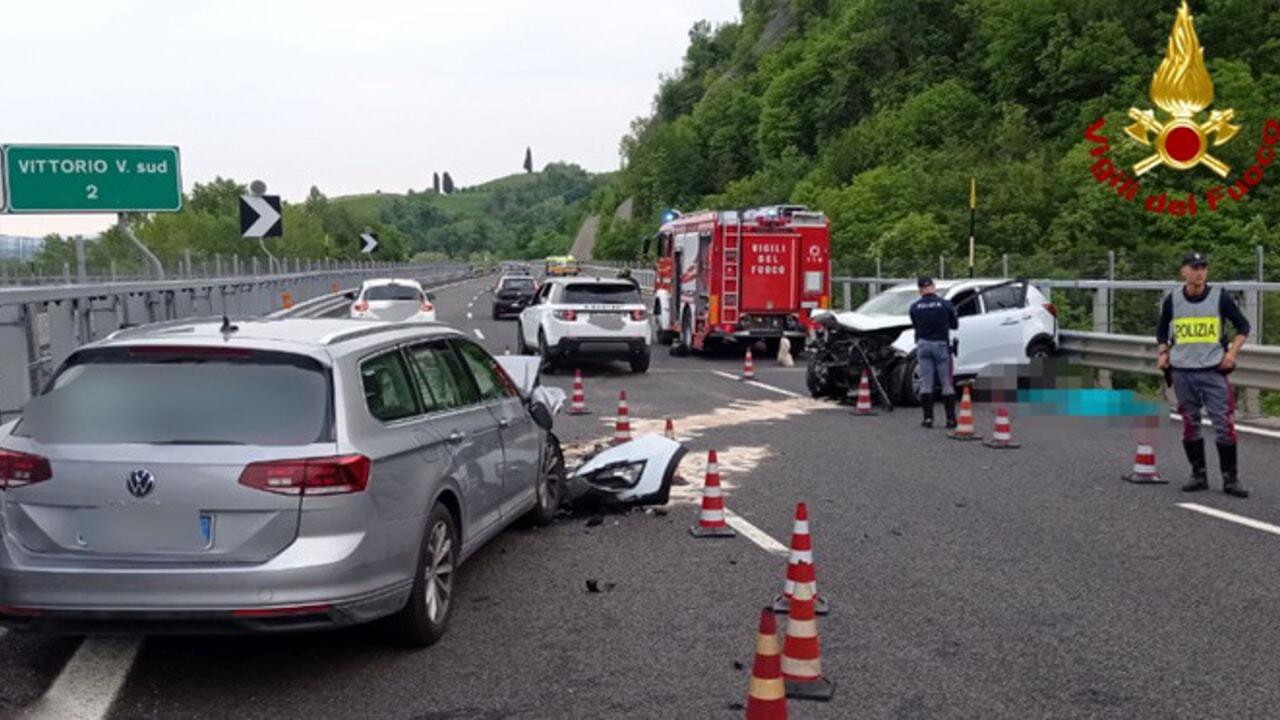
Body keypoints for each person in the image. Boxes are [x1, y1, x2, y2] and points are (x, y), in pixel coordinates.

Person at [1156, 250, 1251, 497]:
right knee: (1190, 423)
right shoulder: (1173, 299)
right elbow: (1162, 329)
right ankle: (1198, 474)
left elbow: (1243, 326)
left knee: (1223, 424)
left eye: (1203, 268)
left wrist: (1231, 354)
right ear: (1184, 271)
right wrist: (1163, 352)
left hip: (1212, 371)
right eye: (1195, 268)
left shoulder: (1220, 297)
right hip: (1182, 371)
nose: (1200, 273)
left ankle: (1231, 479)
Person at [909, 277, 959, 428]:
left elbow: (916, 326)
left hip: (923, 345)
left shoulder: (914, 307)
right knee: (946, 383)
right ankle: (950, 419)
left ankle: (928, 419)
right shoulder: (945, 304)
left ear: (920, 290)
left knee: (926, 383)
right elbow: (954, 325)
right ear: (933, 287)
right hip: (941, 345)